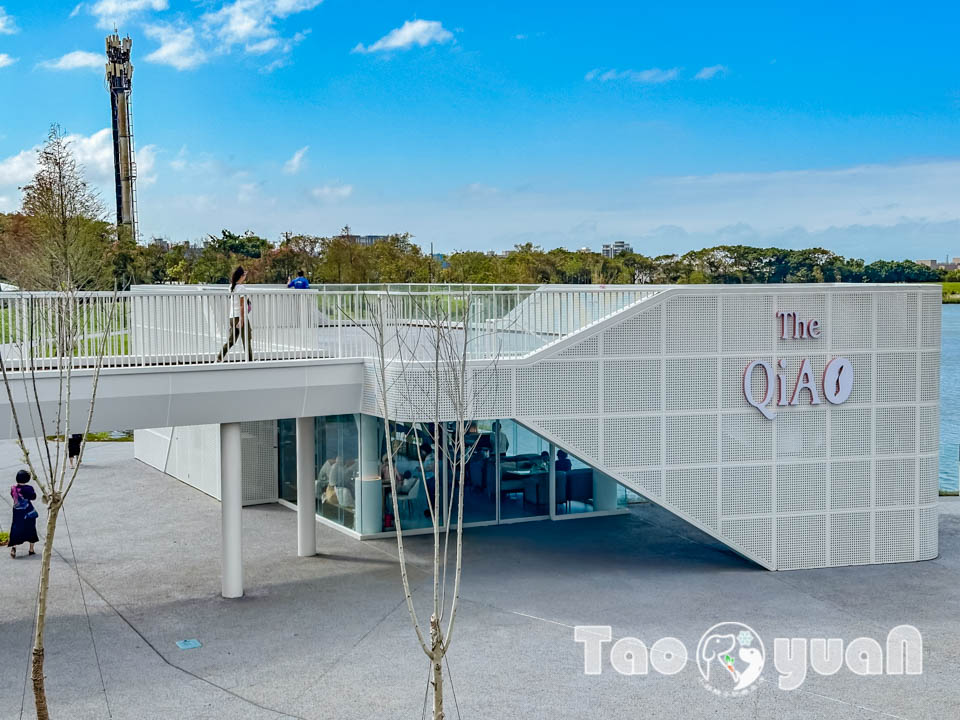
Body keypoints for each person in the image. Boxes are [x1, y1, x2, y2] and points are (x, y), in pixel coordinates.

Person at [217, 266, 252, 362]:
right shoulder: (241, 288)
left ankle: (220, 357)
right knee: (247, 339)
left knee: (232, 340)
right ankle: (250, 360)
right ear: (241, 276)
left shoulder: (231, 287)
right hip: (240, 316)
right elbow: (242, 305)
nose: (245, 276)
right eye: (244, 275)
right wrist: (241, 319)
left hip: (232, 317)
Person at [9, 470, 38, 559]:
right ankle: (31, 549)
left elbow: (12, 495)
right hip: (28, 512)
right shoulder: (29, 488)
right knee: (31, 528)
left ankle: (13, 547)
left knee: (16, 528)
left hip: (17, 511)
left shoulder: (13, 488)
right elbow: (33, 497)